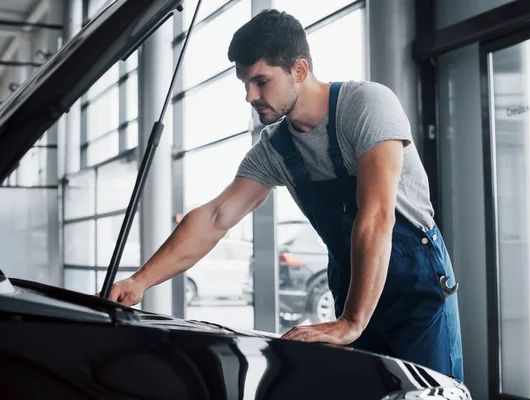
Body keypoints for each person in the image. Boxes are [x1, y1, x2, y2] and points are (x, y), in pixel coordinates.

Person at [106, 9, 464, 380]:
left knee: (432, 390)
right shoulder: (275, 149)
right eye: (244, 83)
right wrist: (139, 281)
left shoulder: (366, 106)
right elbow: (215, 218)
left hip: (415, 287)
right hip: (353, 284)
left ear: (299, 70)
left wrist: (352, 322)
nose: (249, 95)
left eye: (260, 81)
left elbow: (376, 216)